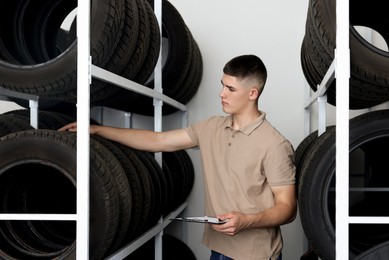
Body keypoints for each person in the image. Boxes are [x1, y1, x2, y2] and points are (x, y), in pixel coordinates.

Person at [59, 54, 296, 260]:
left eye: (231, 89)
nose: (221, 94)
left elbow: (287, 208)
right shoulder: (211, 127)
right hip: (218, 249)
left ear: (253, 93)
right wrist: (96, 130)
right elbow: (158, 140)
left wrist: (246, 220)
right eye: (222, 85)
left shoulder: (274, 144)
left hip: (256, 254)